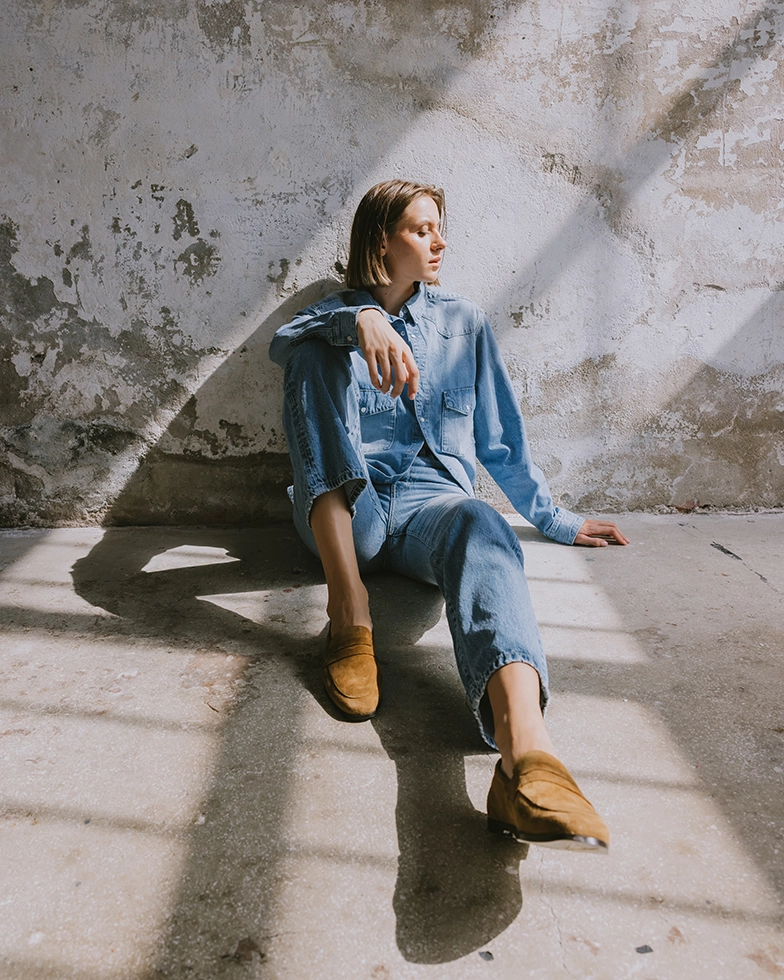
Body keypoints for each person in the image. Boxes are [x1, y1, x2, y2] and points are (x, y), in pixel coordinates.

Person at [269, 179, 628, 852]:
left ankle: (528, 761)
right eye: (422, 229)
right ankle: (349, 617)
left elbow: (499, 439)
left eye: (440, 227)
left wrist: (553, 518)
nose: (441, 241)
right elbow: (285, 343)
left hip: (433, 503)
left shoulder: (463, 321)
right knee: (313, 358)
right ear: (382, 241)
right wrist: (358, 319)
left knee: (480, 522)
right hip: (351, 512)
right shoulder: (331, 320)